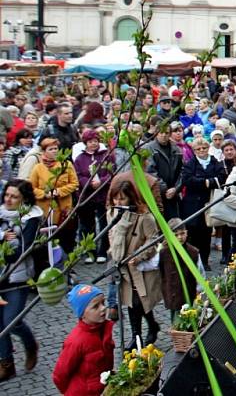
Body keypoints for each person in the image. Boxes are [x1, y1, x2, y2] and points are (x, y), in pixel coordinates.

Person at [108, 181, 162, 349]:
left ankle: (140, 334)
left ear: (130, 198)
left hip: (139, 268)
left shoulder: (144, 217)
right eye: (115, 199)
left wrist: (139, 256)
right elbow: (111, 235)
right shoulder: (112, 214)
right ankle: (139, 334)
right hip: (122, 266)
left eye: (122, 199)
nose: (118, 203)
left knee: (139, 302)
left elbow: (153, 239)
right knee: (132, 303)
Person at [0, 180, 42, 381]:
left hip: (17, 277)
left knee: (11, 322)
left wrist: (8, 248)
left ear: (23, 199)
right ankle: (6, 364)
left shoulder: (30, 218)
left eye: (14, 196)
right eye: (7, 195)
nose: (9, 199)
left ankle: (30, 344)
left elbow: (20, 251)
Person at [52, 285, 114, 396]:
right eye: (95, 306)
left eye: (103, 303)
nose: (103, 308)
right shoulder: (76, 341)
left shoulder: (104, 329)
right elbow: (59, 375)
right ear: (82, 314)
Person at [180, 137, 226, 268]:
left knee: (206, 233)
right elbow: (187, 180)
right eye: (198, 149)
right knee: (193, 233)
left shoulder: (215, 161)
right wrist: (206, 182)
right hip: (192, 204)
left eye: (204, 148)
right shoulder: (190, 163)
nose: (201, 151)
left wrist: (207, 182)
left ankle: (205, 261)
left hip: (209, 203)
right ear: (194, 151)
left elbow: (222, 177)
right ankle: (192, 261)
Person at [29, 137, 79, 253]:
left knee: (66, 239)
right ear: (44, 152)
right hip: (45, 211)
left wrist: (60, 191)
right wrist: (44, 194)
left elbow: (74, 183)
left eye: (56, 148)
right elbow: (31, 188)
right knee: (47, 241)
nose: (54, 151)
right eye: (51, 149)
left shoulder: (66, 165)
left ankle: (67, 265)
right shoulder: (38, 168)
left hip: (64, 210)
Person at [74, 129, 114, 264]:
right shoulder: (80, 158)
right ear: (85, 143)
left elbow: (111, 172)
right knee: (87, 225)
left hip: (102, 194)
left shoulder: (106, 155)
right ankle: (89, 251)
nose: (93, 144)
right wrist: (89, 184)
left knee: (104, 223)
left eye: (95, 141)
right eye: (90, 142)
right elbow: (78, 175)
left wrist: (101, 182)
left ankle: (103, 250)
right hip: (87, 196)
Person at [159, 218, 204, 322]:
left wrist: (199, 290)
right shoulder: (163, 252)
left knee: (188, 320)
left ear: (186, 233)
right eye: (176, 235)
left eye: (182, 233)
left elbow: (200, 273)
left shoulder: (193, 252)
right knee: (174, 320)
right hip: (172, 293)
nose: (180, 237)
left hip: (189, 293)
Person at [144, 125, 184, 220]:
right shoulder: (148, 149)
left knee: (174, 223)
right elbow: (150, 171)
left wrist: (176, 188)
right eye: (161, 133)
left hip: (173, 193)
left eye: (166, 133)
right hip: (157, 193)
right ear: (156, 134)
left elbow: (182, 171)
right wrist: (164, 188)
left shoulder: (177, 150)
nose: (163, 135)